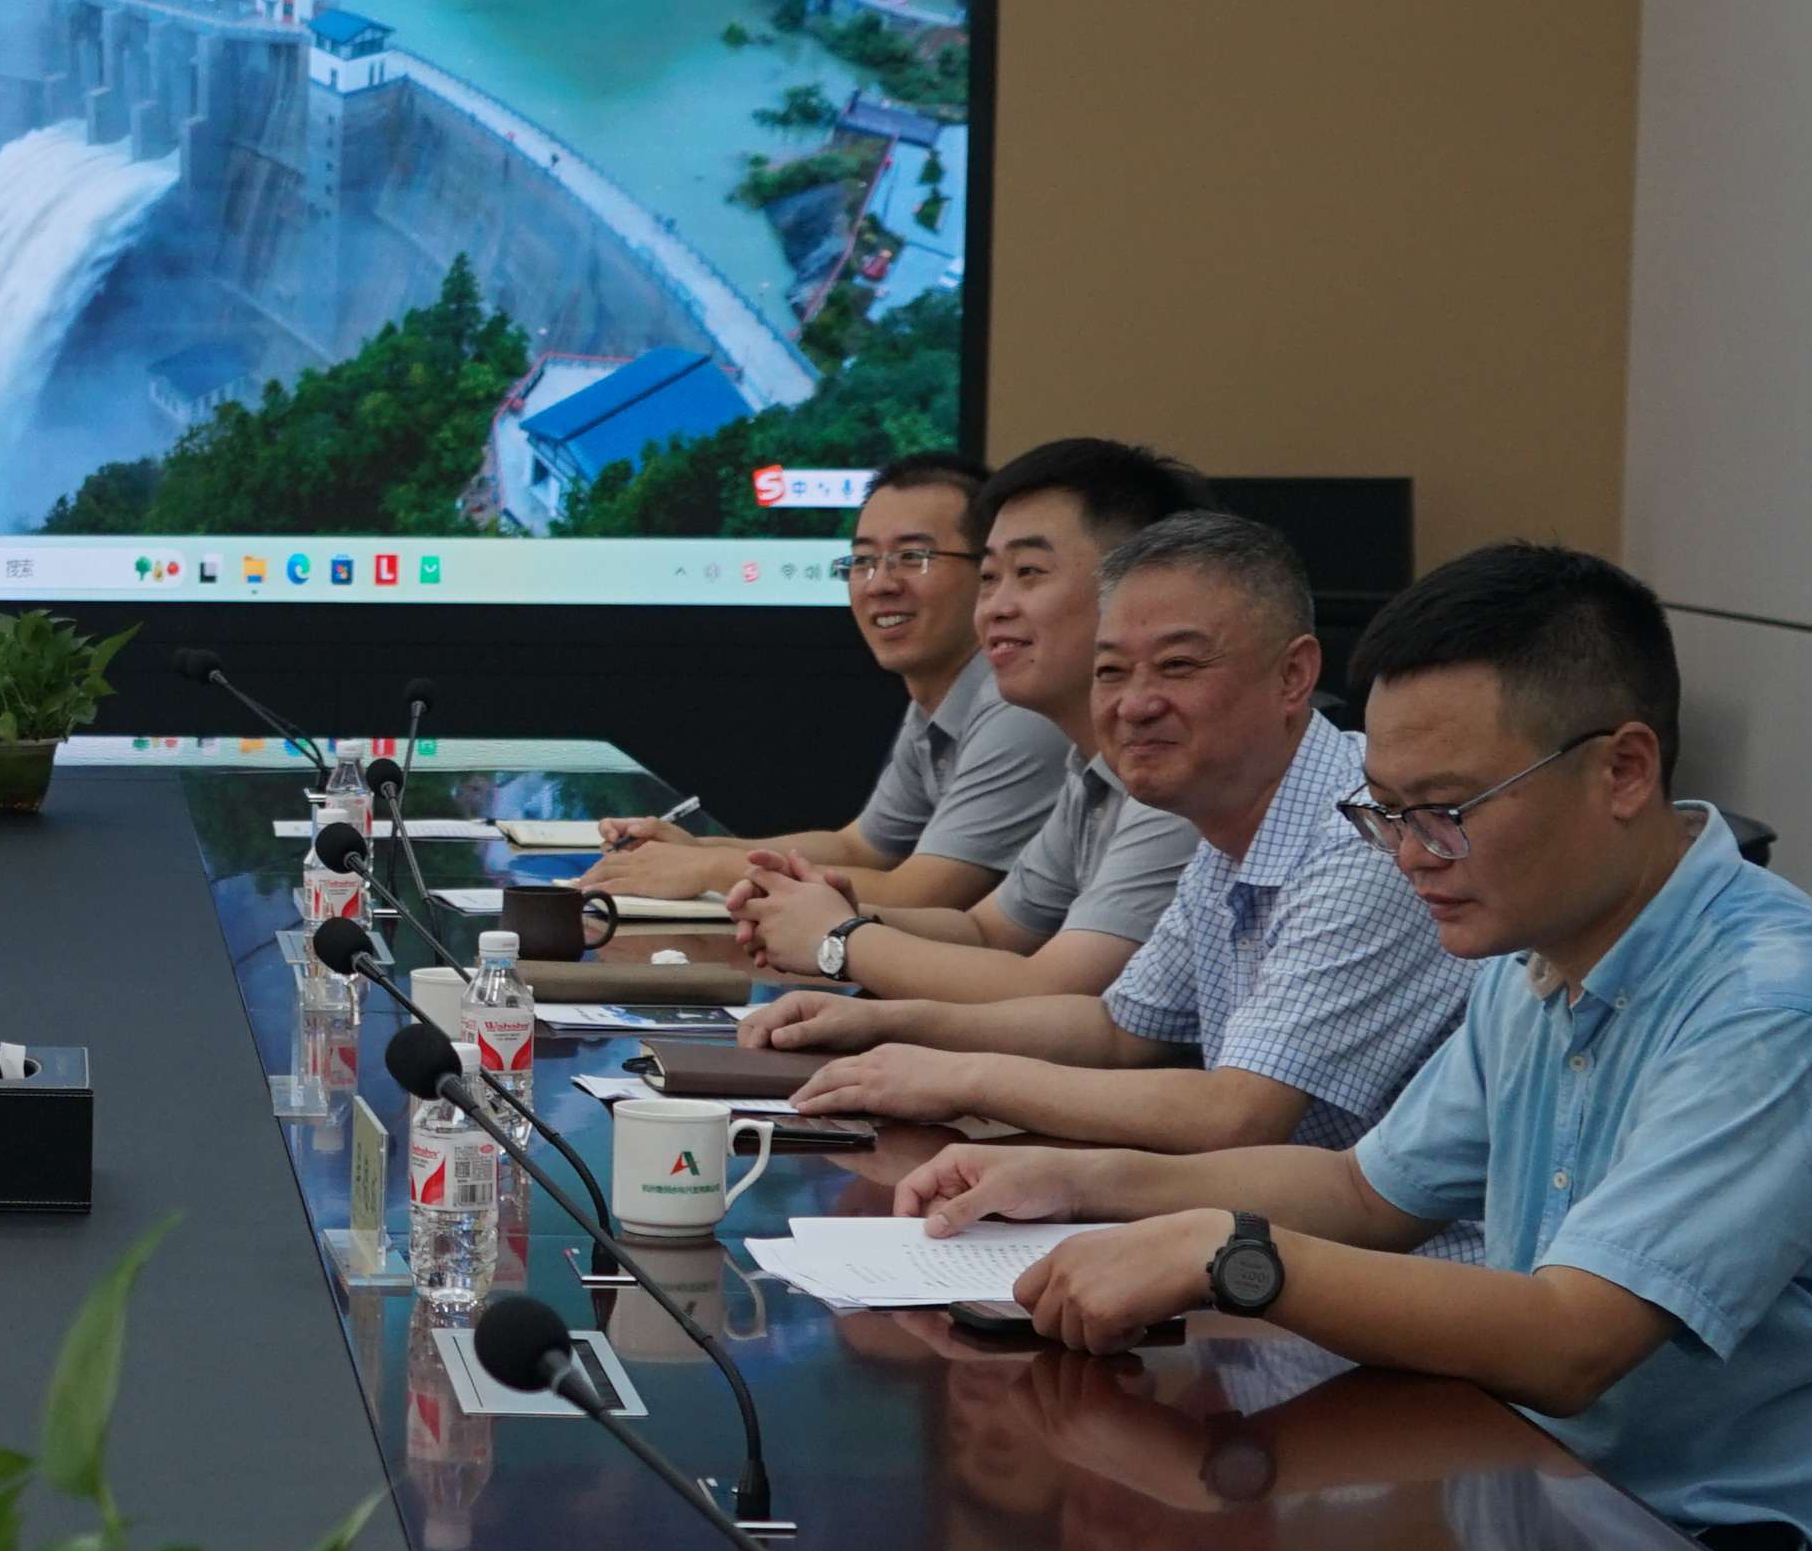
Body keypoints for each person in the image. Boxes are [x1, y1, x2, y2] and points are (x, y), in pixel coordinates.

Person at [904, 540, 1812, 1551]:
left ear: (1623, 769)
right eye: (1387, 812)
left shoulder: (1775, 1006)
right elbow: (1366, 1190)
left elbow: (1571, 1340)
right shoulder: (1538, 952)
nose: (1412, 855)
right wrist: (1080, 1181)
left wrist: (1236, 1255)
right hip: (1620, 1529)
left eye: (1448, 812)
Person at [771, 507, 1461, 1151]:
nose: (1134, 704)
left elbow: (1238, 1113)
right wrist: (886, 1023)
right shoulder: (1228, 818)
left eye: (1177, 666)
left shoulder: (1364, 839)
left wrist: (964, 1078)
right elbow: (1118, 1030)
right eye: (1110, 671)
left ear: (1293, 675)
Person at [727, 435, 1207, 1011]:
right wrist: (820, 909)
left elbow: (1057, 991)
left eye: (1029, 571)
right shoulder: (1092, 763)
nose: (997, 606)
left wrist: (840, 939)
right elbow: (987, 931)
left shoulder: (1180, 770)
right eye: (989, 577)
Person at [585, 453, 1063, 902]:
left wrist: (709, 870)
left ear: (988, 573)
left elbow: (920, 894)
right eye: (863, 560)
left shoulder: (1017, 708)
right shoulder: (939, 697)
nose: (881, 583)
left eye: (913, 557)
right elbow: (861, 848)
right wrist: (695, 850)